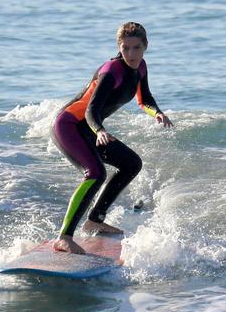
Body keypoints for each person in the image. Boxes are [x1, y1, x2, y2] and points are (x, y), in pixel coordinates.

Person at [50, 22, 173, 254]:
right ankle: (64, 237)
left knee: (131, 164)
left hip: (90, 130)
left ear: (146, 46)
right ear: (119, 47)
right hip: (69, 126)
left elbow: (144, 99)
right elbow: (90, 110)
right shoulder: (112, 71)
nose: (131, 54)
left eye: (136, 48)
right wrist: (100, 131)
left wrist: (156, 112)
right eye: (125, 48)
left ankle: (95, 220)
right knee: (95, 173)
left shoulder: (141, 68)